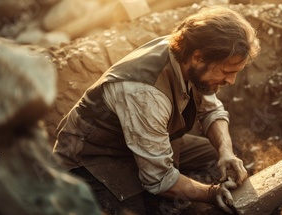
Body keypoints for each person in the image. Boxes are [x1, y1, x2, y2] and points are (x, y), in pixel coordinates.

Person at [53, 6, 260, 214]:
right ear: (199, 58)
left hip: (147, 138)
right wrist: (211, 194)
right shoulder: (146, 93)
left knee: (217, 159)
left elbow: (211, 112)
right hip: (95, 159)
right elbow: (160, 179)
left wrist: (226, 152)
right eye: (227, 71)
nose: (231, 81)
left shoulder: (191, 58)